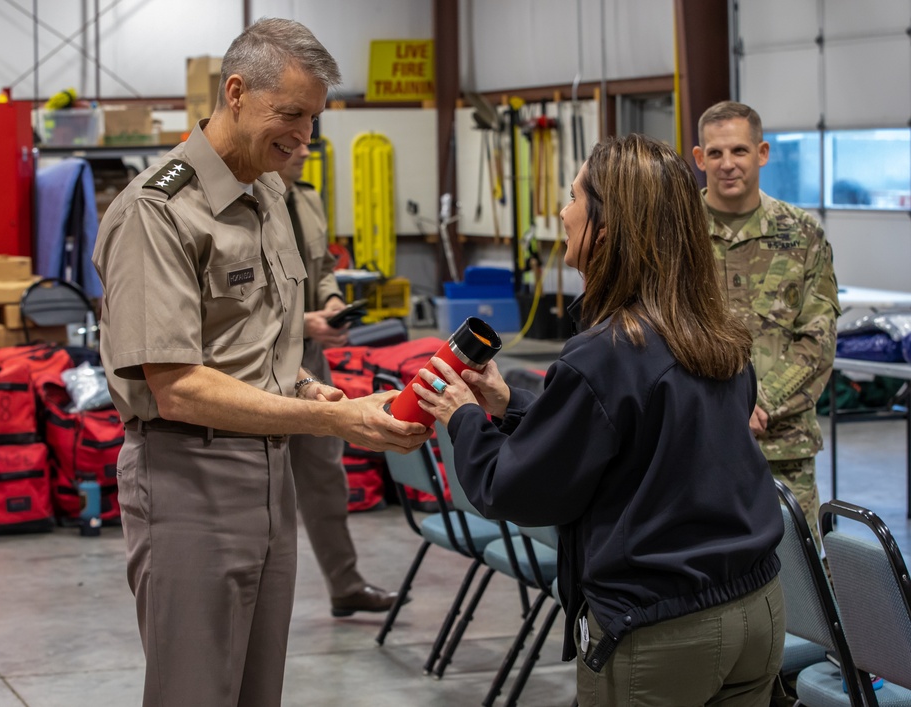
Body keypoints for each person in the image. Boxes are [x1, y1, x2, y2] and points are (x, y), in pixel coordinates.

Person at [92, 19, 430, 707]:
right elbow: (178, 386)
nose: (304, 138)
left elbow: (258, 338)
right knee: (195, 689)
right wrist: (328, 420)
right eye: (292, 116)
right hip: (190, 473)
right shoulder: (158, 211)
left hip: (272, 473)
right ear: (237, 93)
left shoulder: (270, 193)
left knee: (255, 691)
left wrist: (307, 386)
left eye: (314, 119)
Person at [415, 134, 786, 705]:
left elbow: (519, 489)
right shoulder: (714, 333)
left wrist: (464, 419)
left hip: (663, 626)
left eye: (573, 198)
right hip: (754, 608)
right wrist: (508, 404)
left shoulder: (606, 352)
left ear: (607, 227)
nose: (563, 213)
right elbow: (635, 441)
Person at [693, 101, 840, 542]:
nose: (727, 164)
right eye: (715, 153)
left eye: (739, 150)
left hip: (783, 449)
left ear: (762, 153)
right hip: (697, 447)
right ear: (699, 159)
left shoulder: (802, 234)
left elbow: (818, 337)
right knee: (708, 577)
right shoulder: (677, 234)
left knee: (799, 585)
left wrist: (762, 402)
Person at [277, 143, 403, 616]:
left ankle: (345, 584)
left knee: (323, 477)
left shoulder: (306, 199)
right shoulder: (246, 204)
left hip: (311, 362)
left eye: (310, 133)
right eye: (293, 138)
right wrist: (301, 323)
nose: (305, 148)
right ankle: (265, 601)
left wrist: (329, 305)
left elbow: (324, 269)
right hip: (259, 364)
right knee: (266, 487)